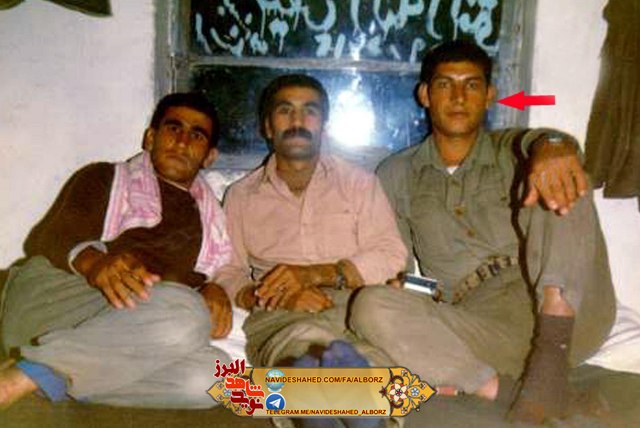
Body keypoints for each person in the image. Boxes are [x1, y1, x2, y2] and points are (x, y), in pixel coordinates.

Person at [350, 40, 615, 424]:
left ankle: (551, 357)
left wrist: (555, 145)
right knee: (370, 305)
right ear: (425, 95)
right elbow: (406, 276)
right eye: (445, 84)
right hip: (484, 325)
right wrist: (410, 289)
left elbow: (548, 141)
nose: (458, 97)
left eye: (471, 85)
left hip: (571, 315)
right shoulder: (396, 174)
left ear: (490, 95)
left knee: (559, 175)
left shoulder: (516, 150)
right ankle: (515, 394)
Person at [0, 93, 235, 409]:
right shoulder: (104, 177)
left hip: (120, 331)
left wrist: (213, 286)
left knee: (215, 376)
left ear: (209, 156)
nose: (182, 142)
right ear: (150, 138)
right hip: (58, 301)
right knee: (187, 310)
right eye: (173, 128)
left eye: (197, 135)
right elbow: (49, 237)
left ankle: (43, 373)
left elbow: (207, 283)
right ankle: (17, 380)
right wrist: (94, 263)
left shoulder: (212, 217)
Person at [214, 74, 408, 370]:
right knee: (305, 351)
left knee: (376, 364)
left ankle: (346, 387)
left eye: (310, 111)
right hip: (281, 317)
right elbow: (228, 272)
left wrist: (317, 274)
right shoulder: (241, 196)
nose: (297, 121)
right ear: (268, 127)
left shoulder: (359, 184)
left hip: (354, 308)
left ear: (324, 127)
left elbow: (392, 257)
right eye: (285, 110)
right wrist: (273, 296)